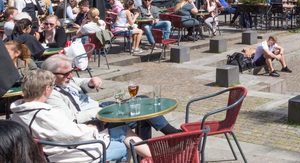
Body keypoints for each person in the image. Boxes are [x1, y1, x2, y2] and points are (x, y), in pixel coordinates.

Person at [11, 69, 149, 162]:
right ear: (47, 89)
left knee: (122, 130)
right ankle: (159, 157)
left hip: (55, 151)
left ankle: (157, 157)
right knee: (124, 144)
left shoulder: (17, 113)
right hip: (70, 155)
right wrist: (92, 128)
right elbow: (73, 134)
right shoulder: (44, 114)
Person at [42, 55, 180, 138]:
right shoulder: (51, 94)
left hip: (100, 108)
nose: (70, 76)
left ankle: (150, 146)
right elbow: (71, 119)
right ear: (50, 75)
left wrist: (90, 82)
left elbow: (81, 82)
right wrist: (99, 112)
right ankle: (170, 134)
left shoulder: (67, 80)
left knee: (142, 103)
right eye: (66, 74)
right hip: (96, 118)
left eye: (71, 72)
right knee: (141, 107)